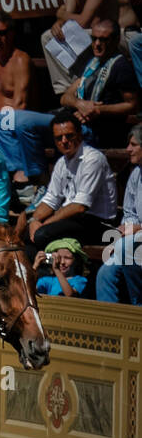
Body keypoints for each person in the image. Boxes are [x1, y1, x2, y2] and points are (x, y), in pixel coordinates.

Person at [24, 112, 117, 252]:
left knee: (42, 234)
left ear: (79, 134)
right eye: (58, 138)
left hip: (98, 223)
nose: (64, 141)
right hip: (73, 220)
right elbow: (51, 199)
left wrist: (45, 224)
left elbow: (80, 206)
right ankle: (40, 271)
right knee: (27, 235)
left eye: (69, 135)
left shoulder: (93, 159)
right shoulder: (61, 162)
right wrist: (34, 220)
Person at [0, 12, 45, 195]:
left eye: (2, 33)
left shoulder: (21, 60)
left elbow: (21, 104)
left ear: (12, 34)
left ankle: (13, 175)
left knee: (4, 120)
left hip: (15, 123)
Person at [59, 17, 138, 150]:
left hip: (100, 129)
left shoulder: (121, 67)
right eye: (94, 38)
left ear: (116, 40)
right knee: (24, 124)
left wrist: (98, 110)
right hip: (77, 120)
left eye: (103, 39)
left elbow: (132, 105)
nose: (97, 44)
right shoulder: (92, 64)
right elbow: (65, 97)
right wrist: (81, 105)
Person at [96, 123, 142, 304]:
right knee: (105, 273)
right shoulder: (136, 174)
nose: (128, 149)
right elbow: (130, 211)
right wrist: (127, 227)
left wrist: (137, 228)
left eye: (134, 144)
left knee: (125, 248)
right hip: (136, 239)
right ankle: (109, 326)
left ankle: (138, 308)